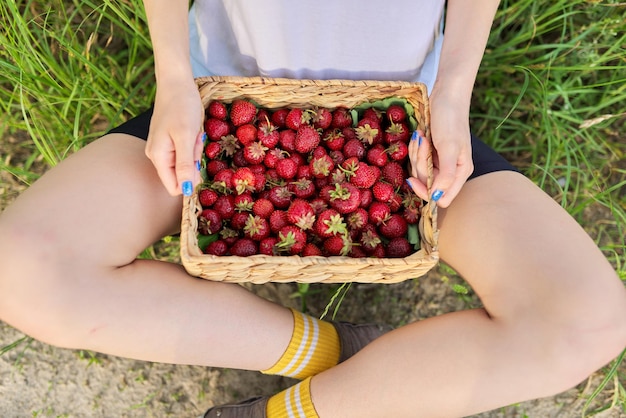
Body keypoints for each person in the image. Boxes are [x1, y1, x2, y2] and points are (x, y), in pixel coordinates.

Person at [1, 1, 625, 417]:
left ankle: (286, 413)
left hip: (403, 131)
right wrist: (172, 80)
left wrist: (453, 96)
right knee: (19, 270)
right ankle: (335, 354)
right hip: (217, 107)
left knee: (586, 322)